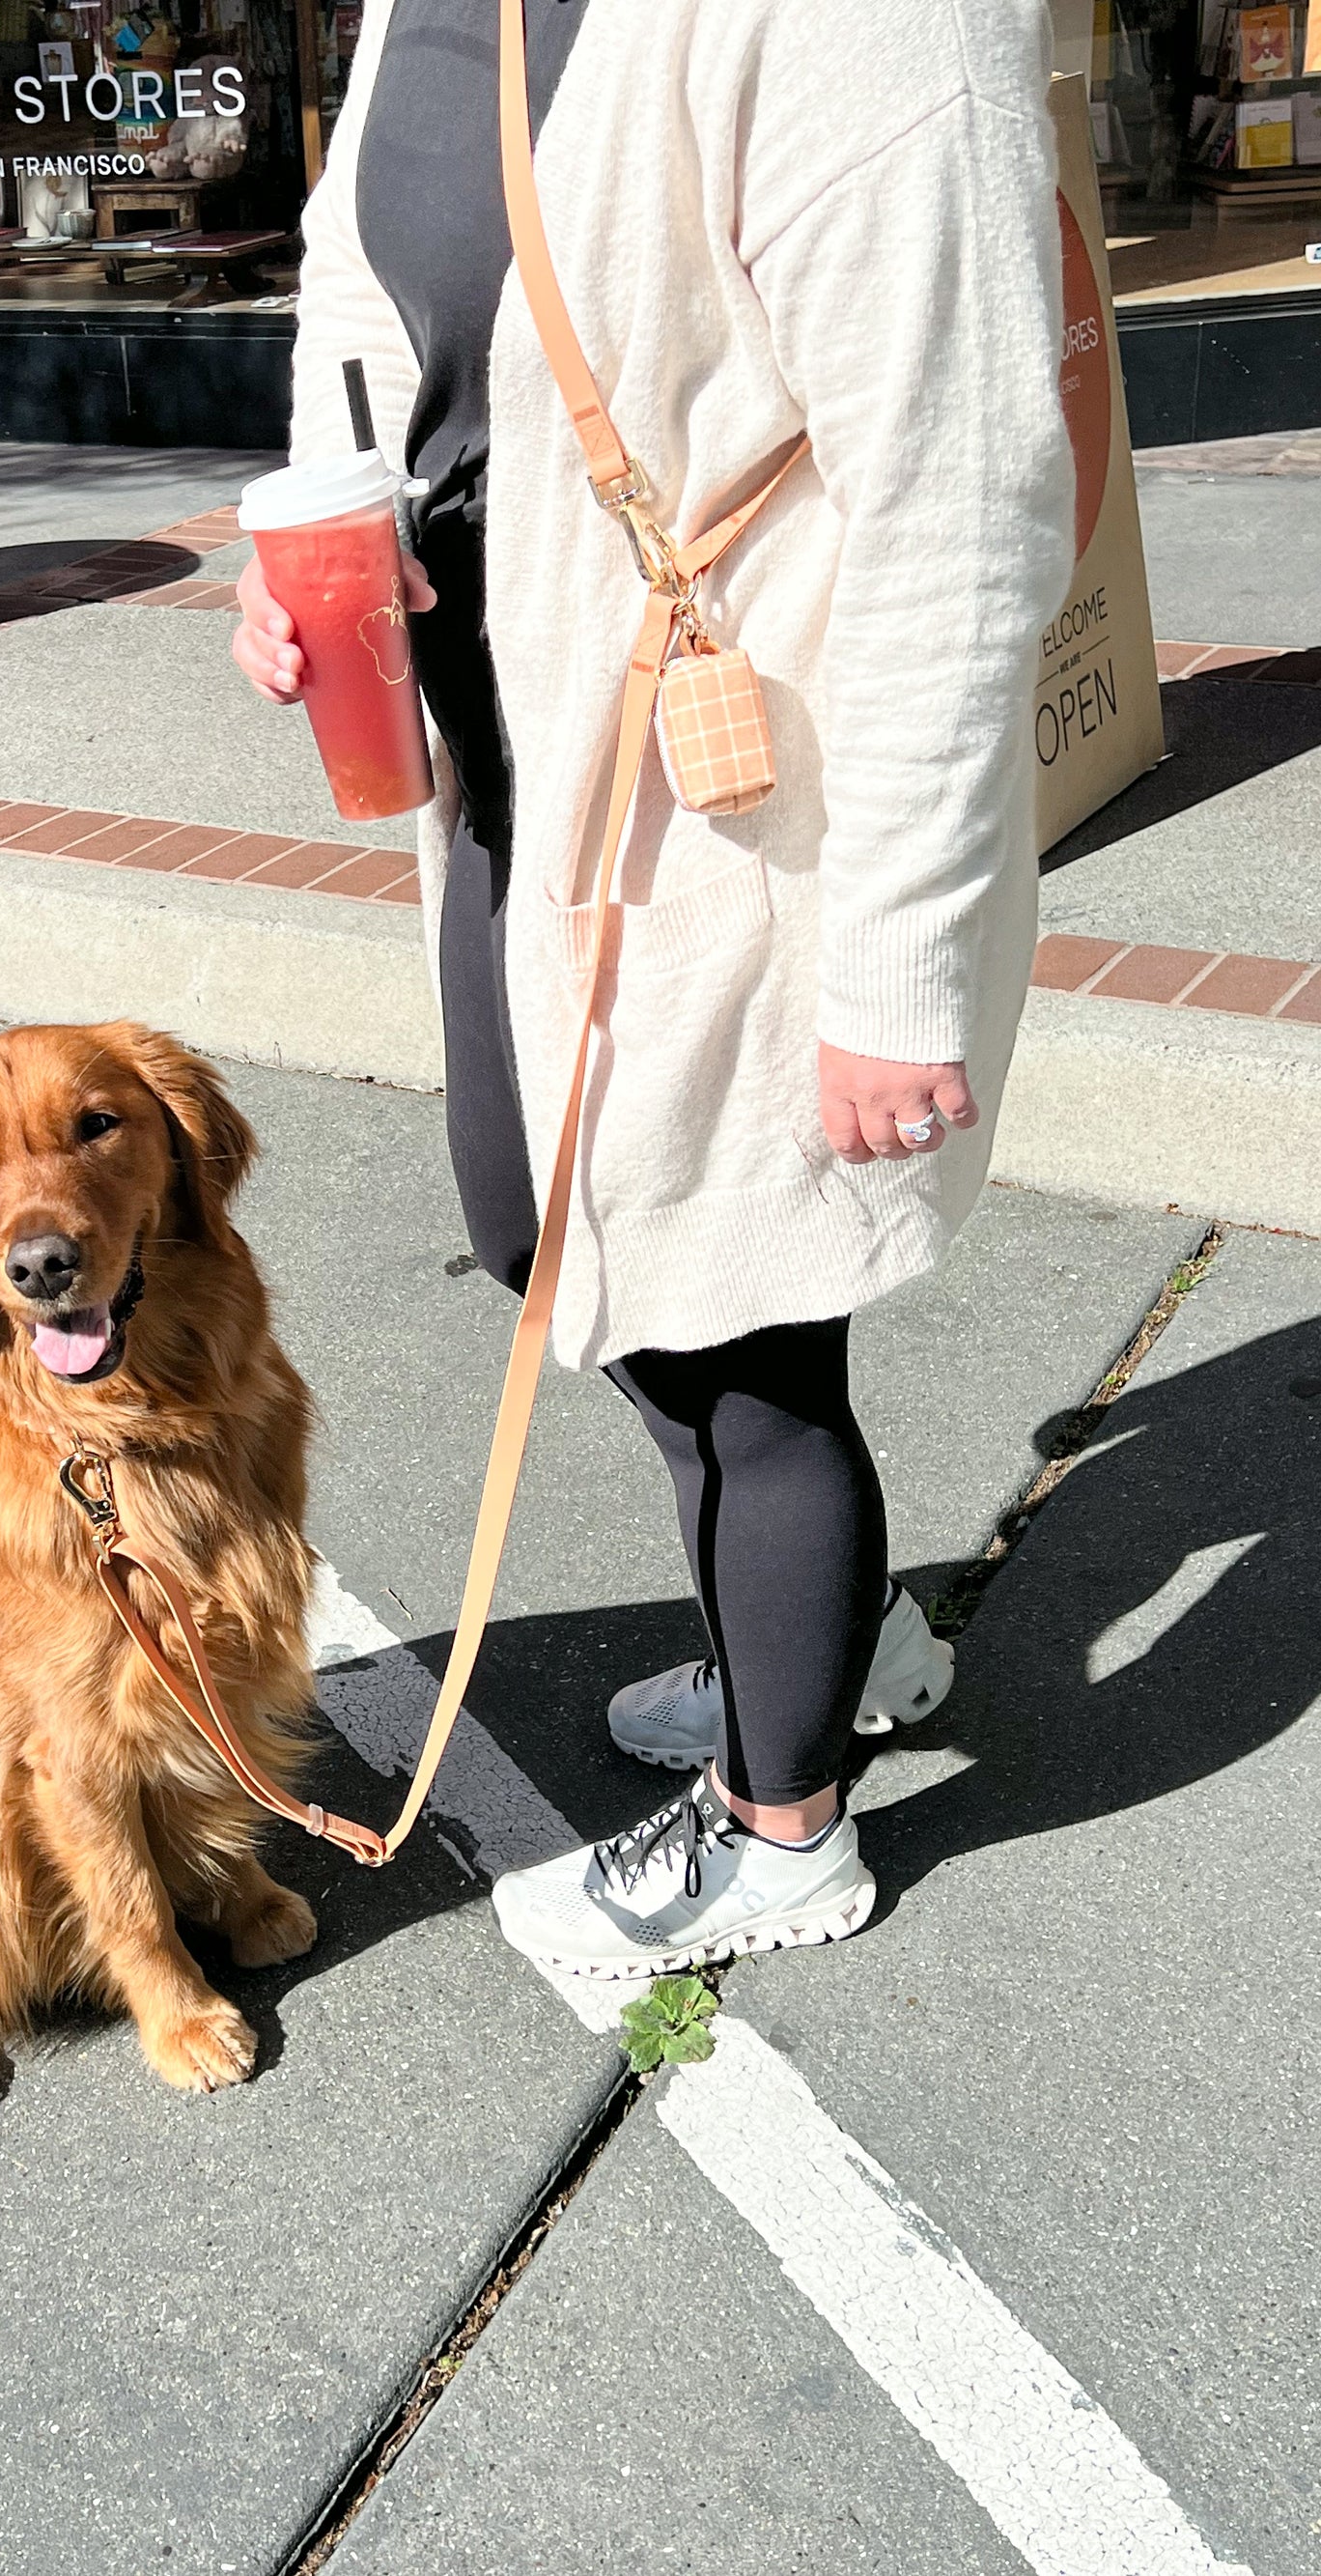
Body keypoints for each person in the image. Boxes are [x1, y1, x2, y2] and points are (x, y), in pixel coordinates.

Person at [231, 0, 1075, 1982]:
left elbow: (964, 496)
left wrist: (898, 959)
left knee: (739, 1330)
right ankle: (827, 1636)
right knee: (545, 1230)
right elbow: (366, 298)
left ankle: (786, 1830)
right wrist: (308, 532)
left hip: (740, 799)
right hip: (512, 763)